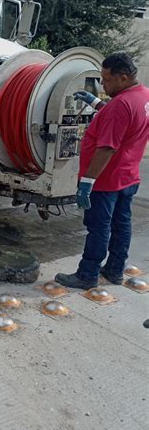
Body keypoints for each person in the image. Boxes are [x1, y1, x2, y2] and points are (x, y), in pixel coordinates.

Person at [55, 52, 149, 289]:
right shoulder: (144, 96)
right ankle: (115, 271)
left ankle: (87, 275)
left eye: (106, 80)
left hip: (106, 180)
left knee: (98, 227)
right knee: (121, 225)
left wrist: (87, 182)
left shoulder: (121, 104)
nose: (102, 85)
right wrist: (96, 104)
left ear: (123, 78)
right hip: (128, 176)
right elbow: (126, 119)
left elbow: (107, 147)